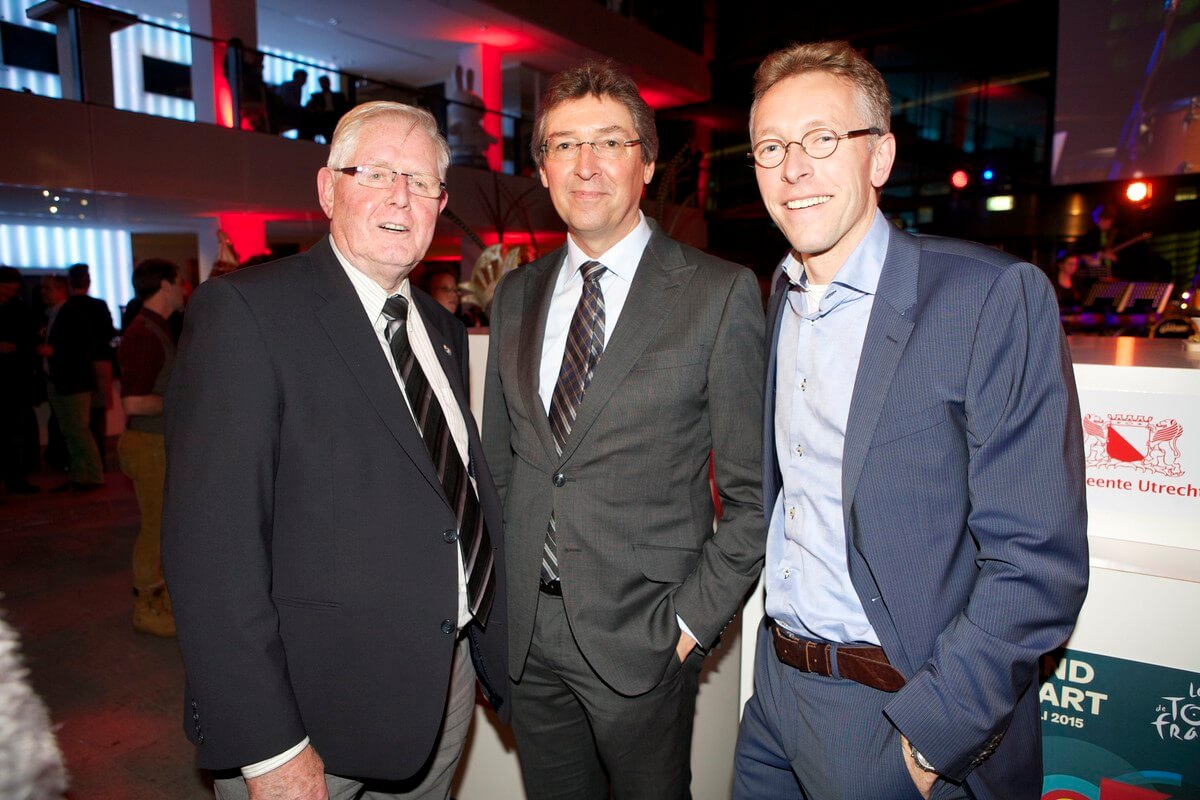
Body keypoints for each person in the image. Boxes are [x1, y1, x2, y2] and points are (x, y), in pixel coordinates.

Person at [733, 41, 1089, 800]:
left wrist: (931, 737)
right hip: (773, 702)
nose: (793, 167)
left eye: (823, 139)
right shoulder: (780, 296)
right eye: (771, 146)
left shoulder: (988, 298)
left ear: (881, 157)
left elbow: (1037, 561)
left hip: (896, 714)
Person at [163, 101, 509, 798]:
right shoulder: (249, 312)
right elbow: (211, 551)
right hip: (311, 717)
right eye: (375, 172)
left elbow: (441, 490)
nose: (399, 197)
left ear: (440, 203)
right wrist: (269, 748)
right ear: (328, 188)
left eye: (419, 181)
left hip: (442, 685)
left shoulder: (440, 328)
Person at [482, 60, 765, 800]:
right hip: (530, 638)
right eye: (564, 145)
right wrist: (499, 610)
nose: (586, 164)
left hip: (645, 637)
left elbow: (755, 495)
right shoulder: (515, 295)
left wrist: (689, 625)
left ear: (645, 160)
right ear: (542, 169)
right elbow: (502, 466)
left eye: (608, 142)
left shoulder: (719, 293)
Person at [118, 259, 185, 638]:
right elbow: (133, 403)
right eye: (180, 282)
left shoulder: (157, 327)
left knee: (163, 526)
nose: (184, 289)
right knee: (155, 528)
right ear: (164, 285)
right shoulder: (144, 334)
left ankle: (160, 598)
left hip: (156, 443)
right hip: (148, 445)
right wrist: (183, 399)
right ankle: (146, 606)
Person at [38, 274, 106, 491]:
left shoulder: (72, 313)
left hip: (74, 383)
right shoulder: (51, 315)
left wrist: (54, 351)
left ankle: (94, 476)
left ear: (60, 290)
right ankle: (80, 474)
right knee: (70, 431)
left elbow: (84, 345)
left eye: (47, 289)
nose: (43, 294)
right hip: (59, 381)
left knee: (78, 430)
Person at [67, 263, 116, 470]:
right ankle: (98, 462)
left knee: (79, 421)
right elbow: (109, 333)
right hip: (98, 364)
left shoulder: (67, 307)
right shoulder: (98, 306)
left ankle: (89, 464)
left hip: (76, 367)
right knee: (95, 417)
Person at [0, 267, 41, 495]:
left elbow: (30, 344)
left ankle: (16, 479)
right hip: (13, 380)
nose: (8, 294)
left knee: (16, 433)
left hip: (15, 382)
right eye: (5, 289)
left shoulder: (20, 310)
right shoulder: (19, 309)